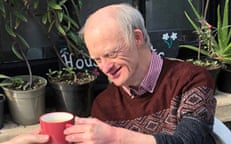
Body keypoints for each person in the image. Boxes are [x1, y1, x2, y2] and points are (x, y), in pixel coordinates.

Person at [1, 3, 216, 144]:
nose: (105, 68)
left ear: (137, 38)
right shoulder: (105, 104)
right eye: (97, 59)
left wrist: (115, 137)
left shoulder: (191, 78)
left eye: (111, 54)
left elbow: (190, 140)